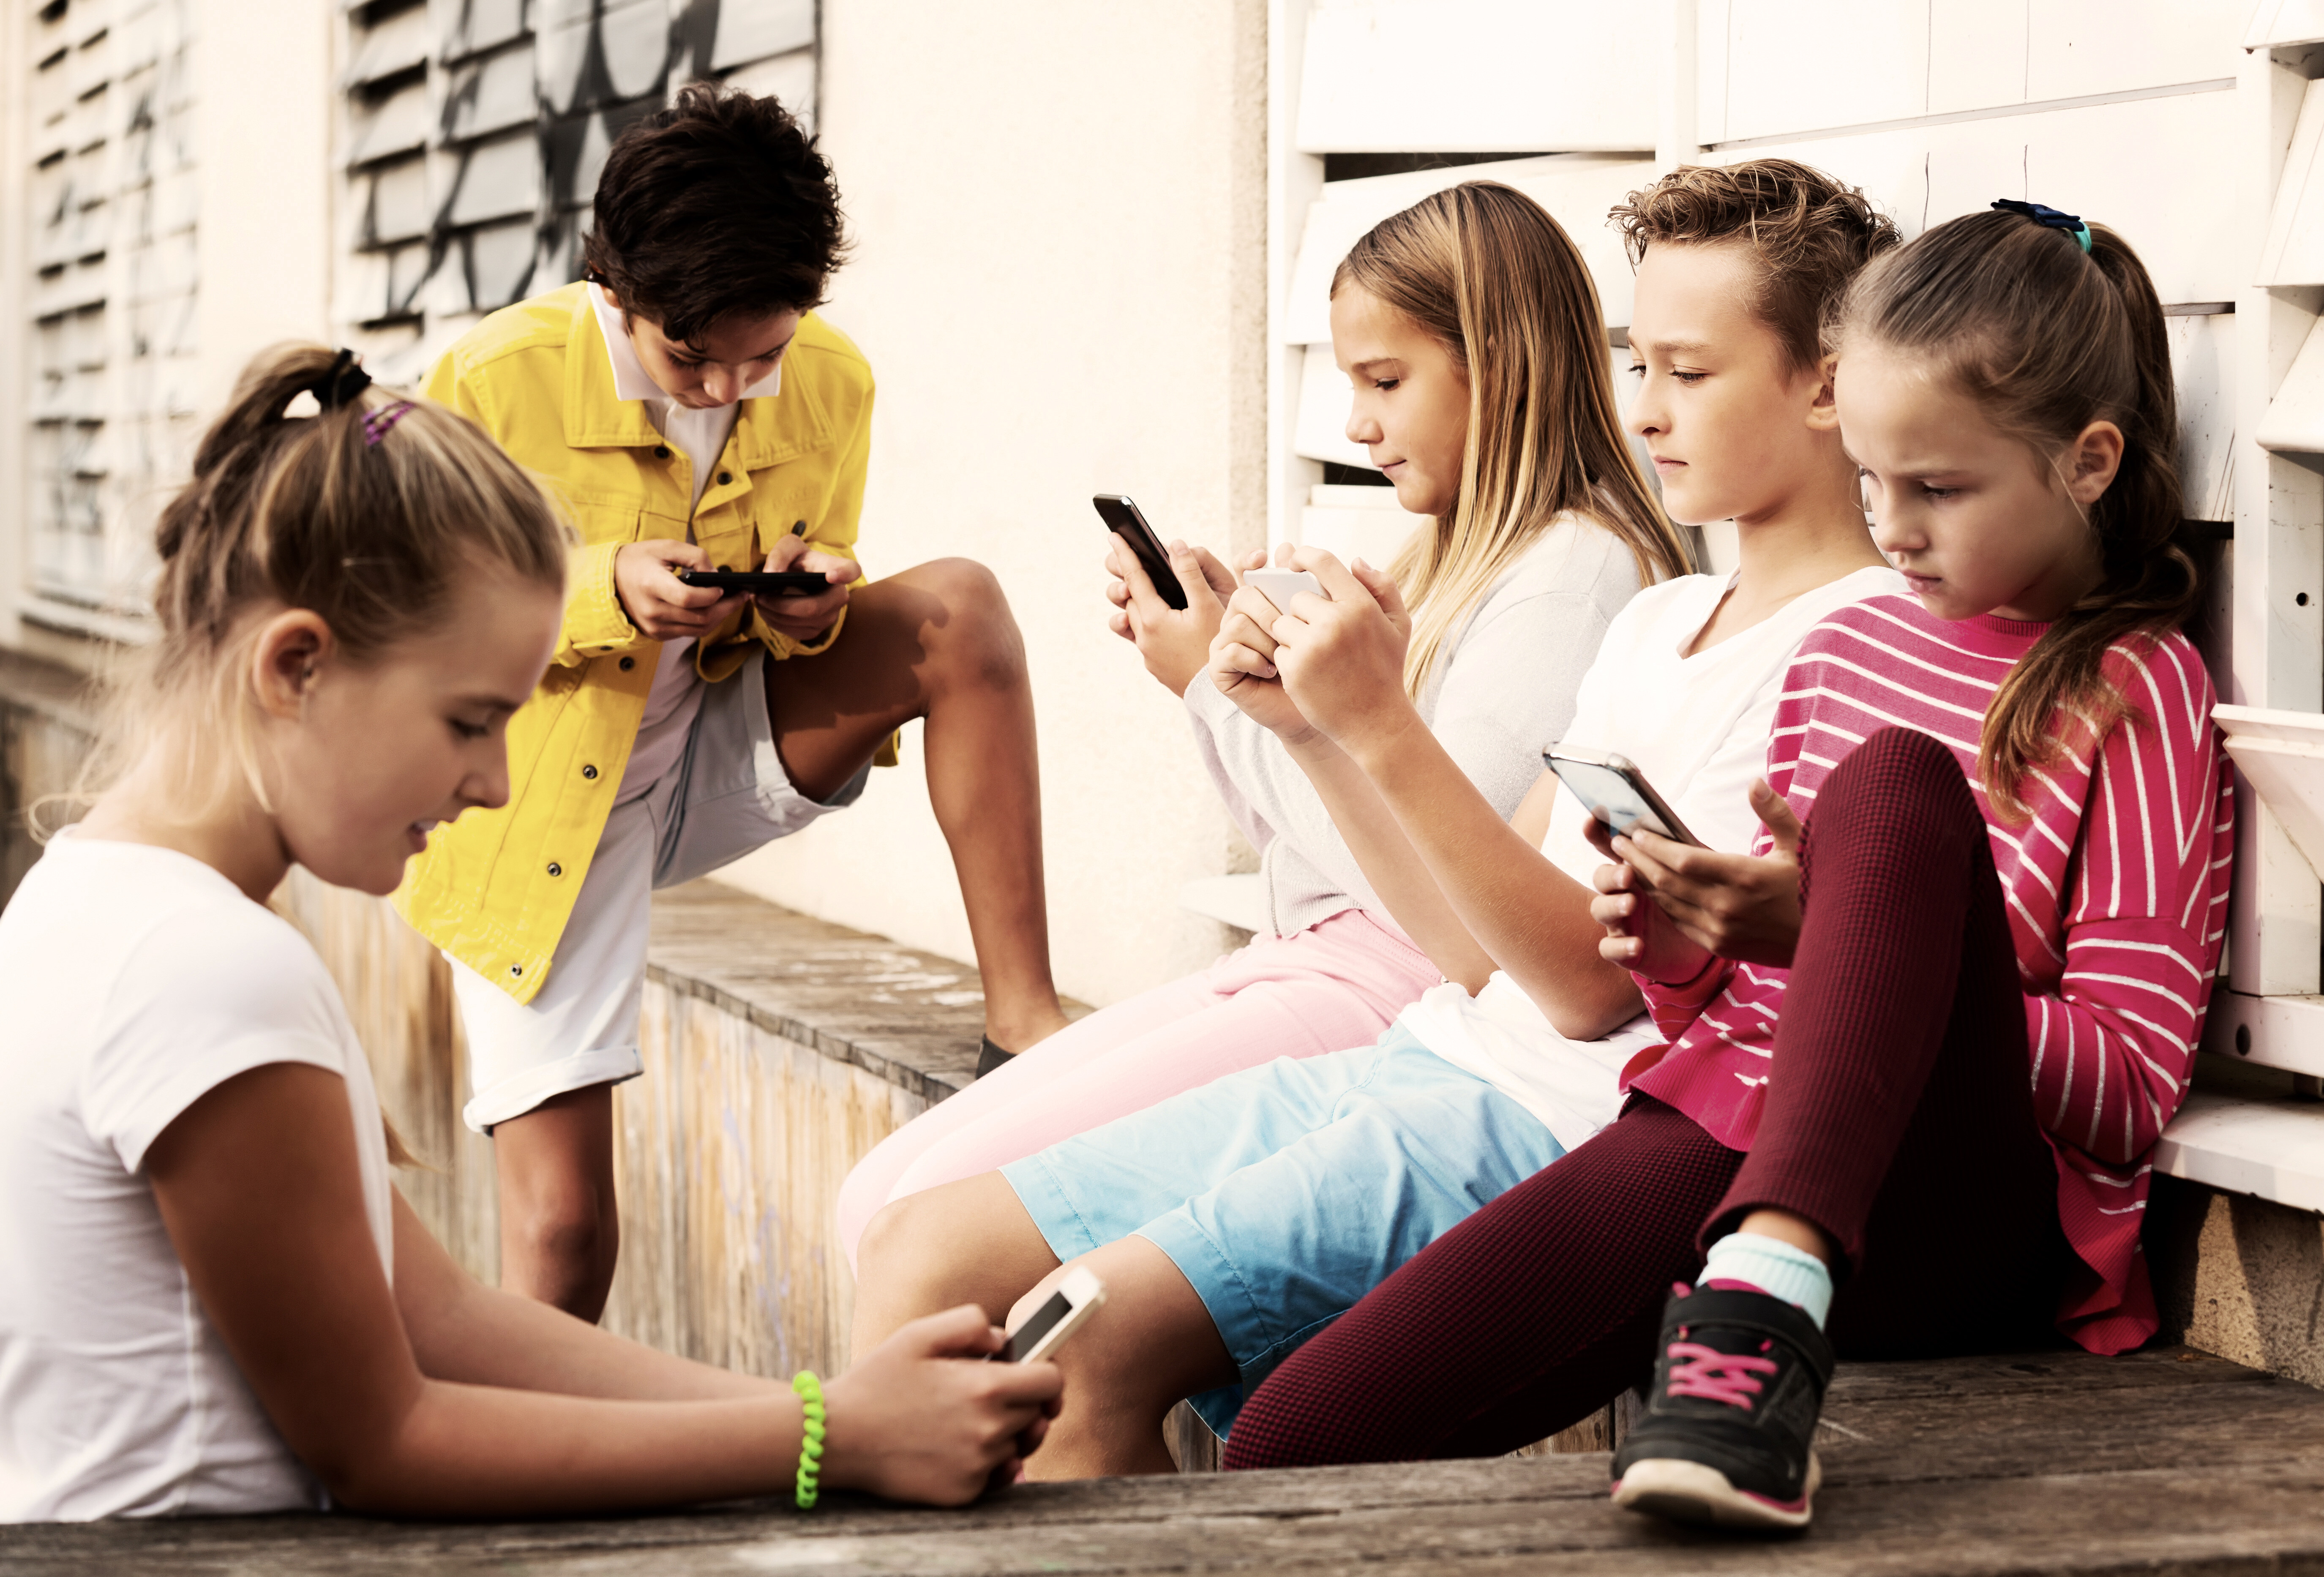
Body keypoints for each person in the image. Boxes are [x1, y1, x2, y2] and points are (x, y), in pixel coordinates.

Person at [851, 161, 1909, 1481]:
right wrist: (1316, 728)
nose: (1644, 408)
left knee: (1085, 1351)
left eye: (1687, 374)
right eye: (1640, 364)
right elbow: (1469, 950)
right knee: (919, 1243)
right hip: (1432, 1050)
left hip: (1541, 1117)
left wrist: (1377, 721)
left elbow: (1589, 990)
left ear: (1827, 384)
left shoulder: (1859, 647)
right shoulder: (1659, 621)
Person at [1217, 201, 2235, 1537]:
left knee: (1896, 783)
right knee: (1295, 1438)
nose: (1895, 530)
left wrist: (1842, 941)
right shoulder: (1843, 649)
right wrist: (1691, 942)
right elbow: (1735, 1011)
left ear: (2087, 462)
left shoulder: (2136, 686)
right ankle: (1760, 1285)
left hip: (1956, 1212)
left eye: (1938, 489)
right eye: (1871, 481)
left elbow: (2130, 1085)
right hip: (1724, 1125)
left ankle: (1766, 1297)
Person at [0, 345, 1062, 1525]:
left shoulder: (89, 896)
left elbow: (442, 1319)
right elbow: (389, 1443)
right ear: (297, 666)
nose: (496, 785)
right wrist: (831, 1438)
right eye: (471, 722)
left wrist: (838, 1409)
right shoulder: (199, 967)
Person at [838, 181, 1688, 1271]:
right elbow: (1314, 842)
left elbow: (1438, 902)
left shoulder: (1572, 578)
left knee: (914, 1213)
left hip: (1394, 991)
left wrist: (1220, 690)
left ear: (1500, 365)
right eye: (1351, 383)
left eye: (1385, 381)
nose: (1357, 425)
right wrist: (1250, 683)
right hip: (1312, 962)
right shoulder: (1462, 553)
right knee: (878, 1195)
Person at [400, 85, 1070, 1323]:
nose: (726, 387)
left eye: (763, 356)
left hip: (709, 750)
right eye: (691, 358)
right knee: (562, 1231)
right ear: (615, 288)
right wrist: (605, 588)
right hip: (533, 807)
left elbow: (810, 581)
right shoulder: (493, 378)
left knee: (961, 610)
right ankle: (529, 1440)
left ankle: (1024, 1029)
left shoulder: (833, 382)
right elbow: (415, 616)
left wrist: (803, 612)